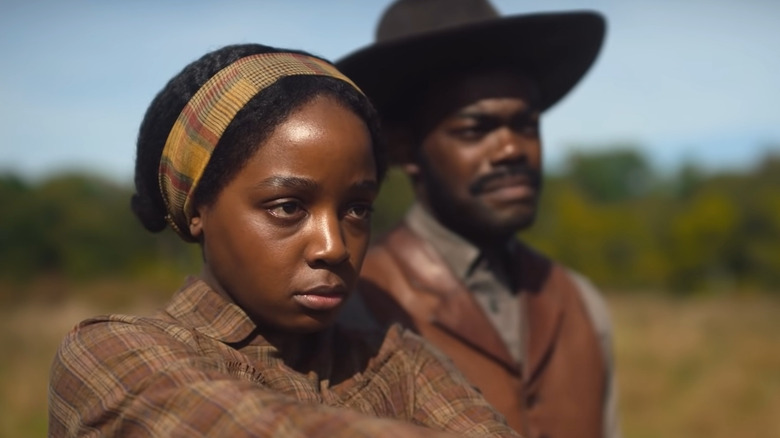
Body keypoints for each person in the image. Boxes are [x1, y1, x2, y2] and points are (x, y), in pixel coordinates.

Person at [47, 43, 523, 438]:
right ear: (197, 210)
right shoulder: (108, 355)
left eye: (357, 208)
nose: (334, 246)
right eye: (288, 207)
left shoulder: (399, 363)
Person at [336, 1, 620, 437]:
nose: (512, 150)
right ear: (405, 150)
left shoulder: (582, 302)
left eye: (526, 125)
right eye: (475, 129)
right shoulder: (353, 304)